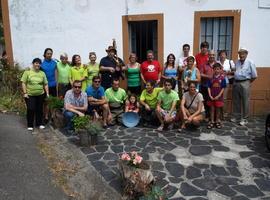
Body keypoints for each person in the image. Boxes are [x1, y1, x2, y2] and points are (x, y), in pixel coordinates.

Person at [231, 47, 257, 126]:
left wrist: (248, 82)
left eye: (243, 53)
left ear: (246, 54)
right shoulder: (237, 62)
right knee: (236, 101)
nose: (241, 55)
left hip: (245, 82)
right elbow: (235, 71)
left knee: (245, 101)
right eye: (240, 53)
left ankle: (245, 118)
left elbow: (254, 75)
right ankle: (237, 116)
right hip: (236, 83)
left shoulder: (250, 62)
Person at [21, 58, 49, 131]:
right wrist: (25, 93)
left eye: (39, 63)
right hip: (30, 94)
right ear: (33, 64)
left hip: (40, 94)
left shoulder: (42, 73)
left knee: (39, 109)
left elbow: (45, 84)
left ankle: (39, 123)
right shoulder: (27, 72)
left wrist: (47, 93)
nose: (38, 64)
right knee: (31, 109)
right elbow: (23, 82)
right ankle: (30, 124)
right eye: (36, 63)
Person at [207, 63, 226, 129]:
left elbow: (223, 88)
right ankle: (212, 121)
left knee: (218, 109)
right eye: (215, 69)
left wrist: (219, 95)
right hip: (212, 96)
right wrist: (210, 95)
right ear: (213, 69)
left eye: (218, 69)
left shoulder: (222, 78)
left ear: (220, 69)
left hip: (218, 97)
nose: (216, 70)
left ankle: (217, 121)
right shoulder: (211, 78)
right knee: (212, 109)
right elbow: (208, 87)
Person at [41, 48, 57, 123]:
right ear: (45, 54)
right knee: (46, 102)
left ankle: (53, 116)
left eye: (51, 53)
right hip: (45, 86)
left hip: (53, 85)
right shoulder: (41, 64)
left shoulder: (54, 62)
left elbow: (64, 62)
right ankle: (46, 116)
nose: (49, 55)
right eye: (48, 53)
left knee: (53, 101)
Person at [218, 50, 235, 117]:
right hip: (218, 82)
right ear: (219, 55)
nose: (222, 56)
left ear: (226, 55)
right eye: (221, 54)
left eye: (224, 54)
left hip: (226, 81)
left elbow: (235, 71)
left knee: (224, 98)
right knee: (218, 98)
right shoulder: (217, 62)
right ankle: (219, 113)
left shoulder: (230, 62)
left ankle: (224, 113)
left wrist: (228, 72)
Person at [200, 50, 216, 121]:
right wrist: (209, 76)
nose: (211, 56)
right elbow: (201, 74)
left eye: (213, 55)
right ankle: (207, 116)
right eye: (210, 55)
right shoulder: (204, 64)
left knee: (214, 102)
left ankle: (214, 117)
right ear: (208, 56)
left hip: (215, 87)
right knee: (206, 102)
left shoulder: (217, 65)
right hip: (205, 86)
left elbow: (221, 74)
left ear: (214, 56)